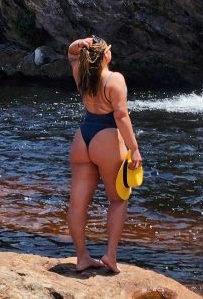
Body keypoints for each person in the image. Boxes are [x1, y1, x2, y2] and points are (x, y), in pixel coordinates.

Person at [66, 36, 142, 274]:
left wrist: (79, 43)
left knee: (78, 204)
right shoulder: (114, 78)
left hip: (83, 137)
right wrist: (135, 148)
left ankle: (82, 257)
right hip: (106, 138)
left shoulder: (82, 74)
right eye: (109, 48)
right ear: (105, 55)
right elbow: (121, 116)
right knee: (118, 199)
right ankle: (110, 256)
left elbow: (71, 54)